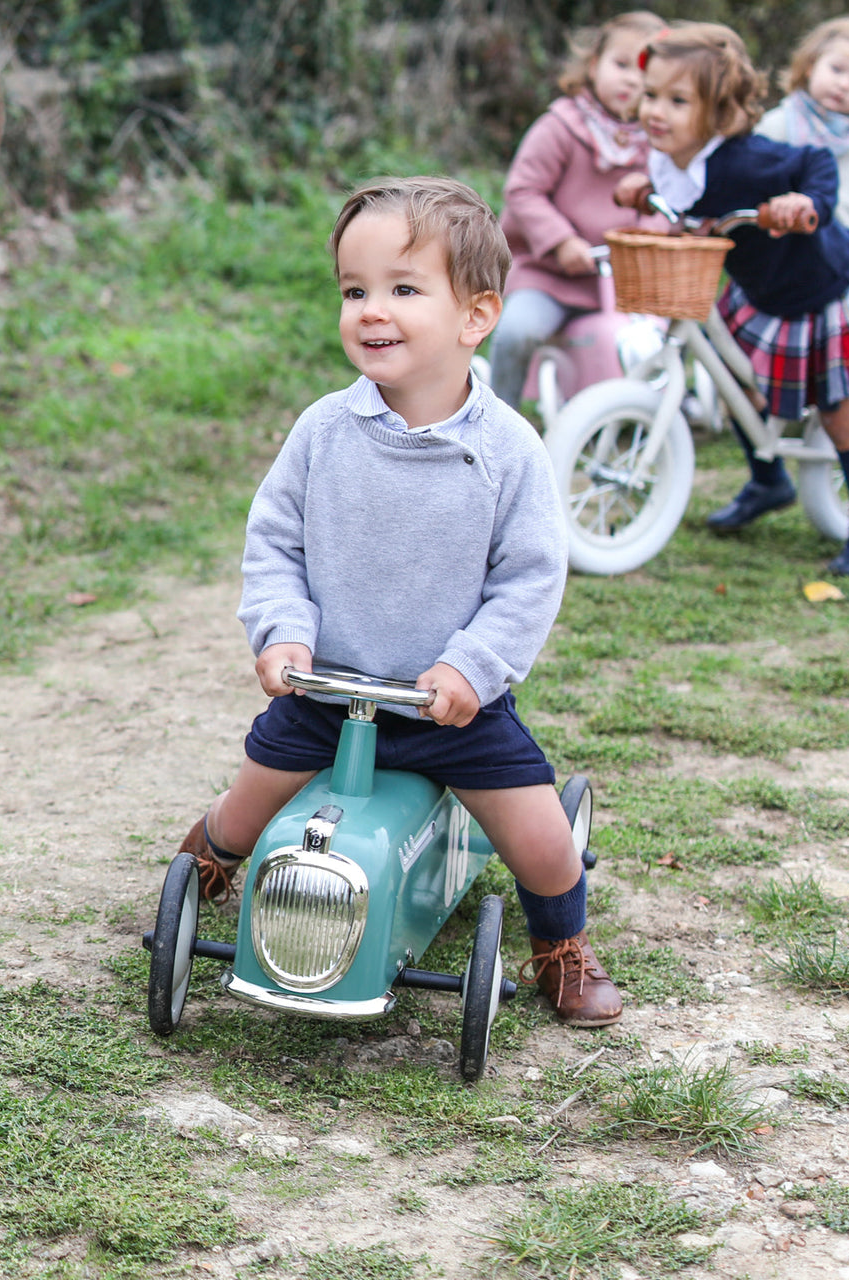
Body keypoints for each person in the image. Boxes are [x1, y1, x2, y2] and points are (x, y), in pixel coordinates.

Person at [176, 175, 622, 1027]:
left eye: (403, 289)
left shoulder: (506, 450)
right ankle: (206, 868)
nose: (371, 310)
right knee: (246, 803)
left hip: (449, 704)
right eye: (355, 290)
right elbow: (276, 544)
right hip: (328, 693)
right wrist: (283, 637)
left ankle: (560, 947)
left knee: (537, 838)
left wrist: (470, 666)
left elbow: (527, 579)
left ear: (476, 317)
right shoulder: (323, 431)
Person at [621, 21, 849, 579]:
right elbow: (688, 205)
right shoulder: (670, 153)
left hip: (821, 289)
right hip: (760, 290)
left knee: (838, 413)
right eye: (651, 95)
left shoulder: (745, 160)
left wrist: (806, 202)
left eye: (678, 100)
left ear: (719, 112)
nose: (657, 111)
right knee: (735, 379)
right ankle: (769, 480)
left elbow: (815, 164)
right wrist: (641, 192)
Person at [489, 9, 667, 410]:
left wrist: (651, 243)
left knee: (664, 336)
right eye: (620, 65)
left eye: (643, 73)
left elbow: (663, 202)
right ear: (593, 64)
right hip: (550, 273)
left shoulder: (658, 141)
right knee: (518, 331)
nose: (629, 79)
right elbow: (524, 190)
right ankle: (500, 417)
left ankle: (652, 410)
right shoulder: (563, 126)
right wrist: (562, 241)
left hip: (623, 279)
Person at [758, 14, 849, 304]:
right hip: (796, 263)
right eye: (837, 69)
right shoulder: (777, 125)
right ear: (811, 65)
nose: (844, 84)